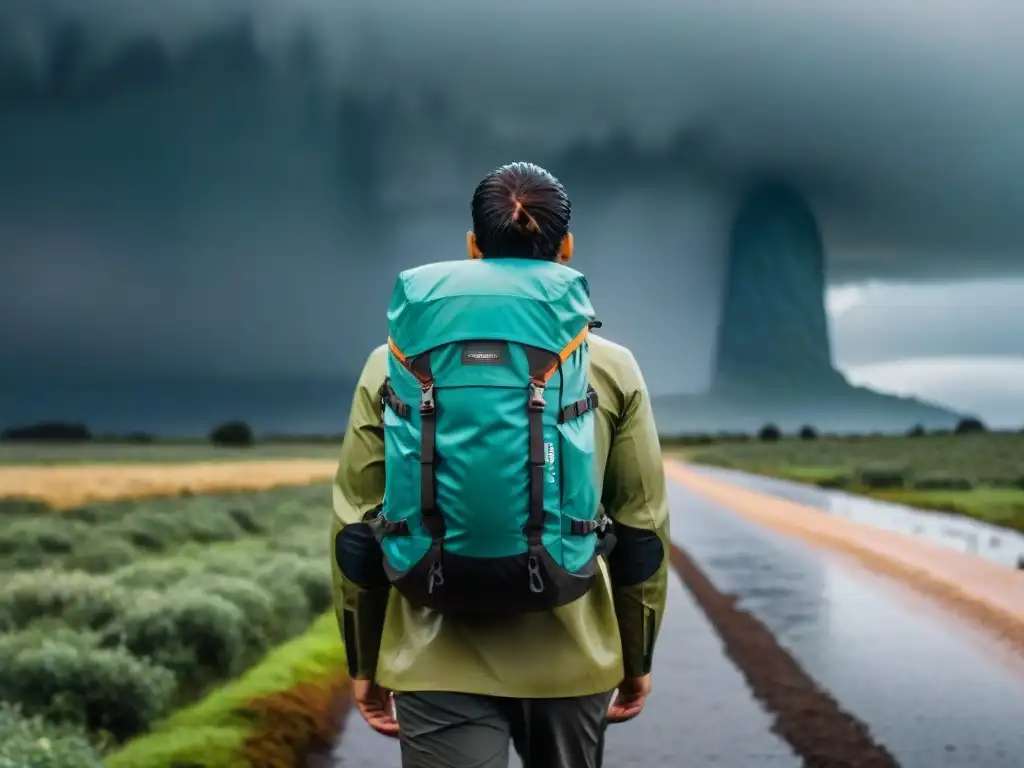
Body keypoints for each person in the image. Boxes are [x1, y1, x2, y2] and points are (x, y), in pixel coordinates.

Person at [331, 162, 670, 768]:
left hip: (433, 657)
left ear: (472, 247)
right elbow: (642, 527)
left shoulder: (392, 363)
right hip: (572, 658)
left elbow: (355, 527)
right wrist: (636, 657)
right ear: (567, 248)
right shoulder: (611, 367)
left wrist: (364, 661)